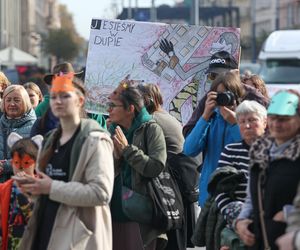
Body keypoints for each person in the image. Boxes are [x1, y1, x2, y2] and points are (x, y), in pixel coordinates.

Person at [16, 73, 114, 250]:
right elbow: (48, 185)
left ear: (80, 101)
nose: (58, 101)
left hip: (77, 238)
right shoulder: (49, 139)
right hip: (46, 231)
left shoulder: (96, 140)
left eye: (65, 95)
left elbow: (101, 193)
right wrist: (33, 188)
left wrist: (51, 187)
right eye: (53, 96)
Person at [236, 90, 300, 250]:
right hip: (261, 239)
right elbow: (251, 196)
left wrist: (287, 213)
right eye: (273, 117)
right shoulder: (259, 150)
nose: (277, 124)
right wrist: (242, 221)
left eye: (284, 119)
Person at [108, 84, 167, 250]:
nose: (109, 110)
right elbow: (108, 170)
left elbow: (156, 167)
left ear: (130, 108)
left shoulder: (151, 129)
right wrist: (115, 157)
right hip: (114, 209)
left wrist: (127, 150)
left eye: (113, 106)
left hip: (141, 212)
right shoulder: (113, 129)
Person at [183, 71, 244, 207]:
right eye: (220, 95)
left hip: (236, 199)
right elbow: (189, 150)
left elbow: (248, 147)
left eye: (228, 94)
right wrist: (204, 116)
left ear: (237, 95)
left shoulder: (246, 119)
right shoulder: (211, 120)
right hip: (209, 199)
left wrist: (234, 123)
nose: (224, 99)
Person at [215, 100, 267, 250]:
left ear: (265, 122)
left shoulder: (275, 149)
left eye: (252, 120)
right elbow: (220, 190)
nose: (247, 126)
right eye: (242, 121)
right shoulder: (230, 151)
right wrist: (238, 221)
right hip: (236, 220)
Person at [182, 51, 269, 138]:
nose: (218, 80)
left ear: (235, 75)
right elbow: (188, 134)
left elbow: (273, 126)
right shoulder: (210, 98)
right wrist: (205, 118)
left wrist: (237, 122)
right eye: (213, 76)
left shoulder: (251, 94)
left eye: (223, 75)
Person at [0, 132, 42, 250]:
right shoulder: (3, 189)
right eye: (16, 162)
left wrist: (23, 194)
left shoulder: (42, 189)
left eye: (26, 163)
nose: (20, 168)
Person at [0, 85, 36, 183]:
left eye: (17, 100)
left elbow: (37, 158)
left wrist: (6, 166)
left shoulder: (35, 127)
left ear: (25, 102)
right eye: (8, 100)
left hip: (22, 187)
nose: (12, 104)